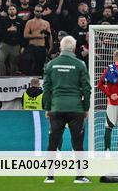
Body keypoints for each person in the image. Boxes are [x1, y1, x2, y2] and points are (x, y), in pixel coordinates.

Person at [42, 35, 91, 184]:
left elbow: (46, 88)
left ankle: (50, 176)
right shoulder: (80, 64)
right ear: (74, 48)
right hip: (76, 109)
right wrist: (86, 108)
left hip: (56, 108)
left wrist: (48, 107)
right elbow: (87, 88)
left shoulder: (51, 64)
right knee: (78, 143)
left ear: (61, 48)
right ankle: (80, 176)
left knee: (52, 142)